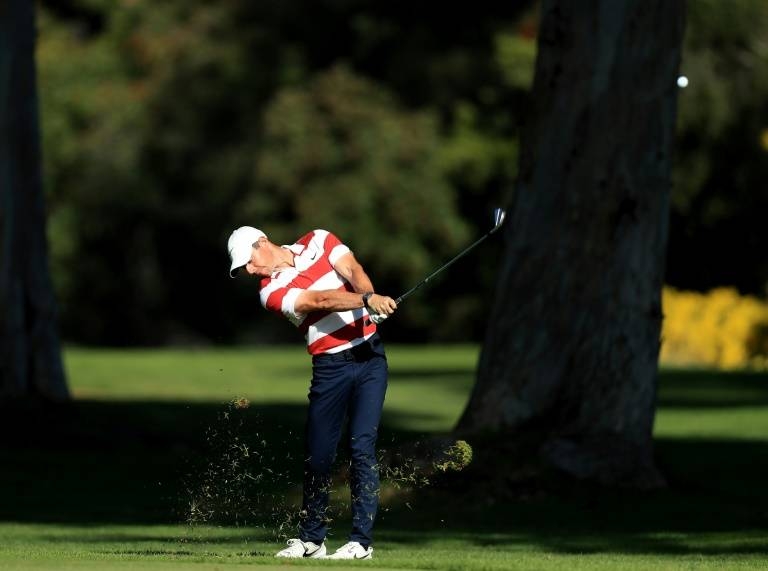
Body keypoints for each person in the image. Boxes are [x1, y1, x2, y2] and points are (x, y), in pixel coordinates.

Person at [227, 225, 397, 560]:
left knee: (361, 446)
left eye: (247, 261)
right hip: (330, 367)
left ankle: (361, 543)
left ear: (262, 243)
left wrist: (370, 300)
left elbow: (353, 269)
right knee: (319, 455)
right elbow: (319, 300)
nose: (248, 270)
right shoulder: (270, 292)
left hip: (369, 358)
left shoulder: (317, 239)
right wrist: (366, 300)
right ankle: (311, 540)